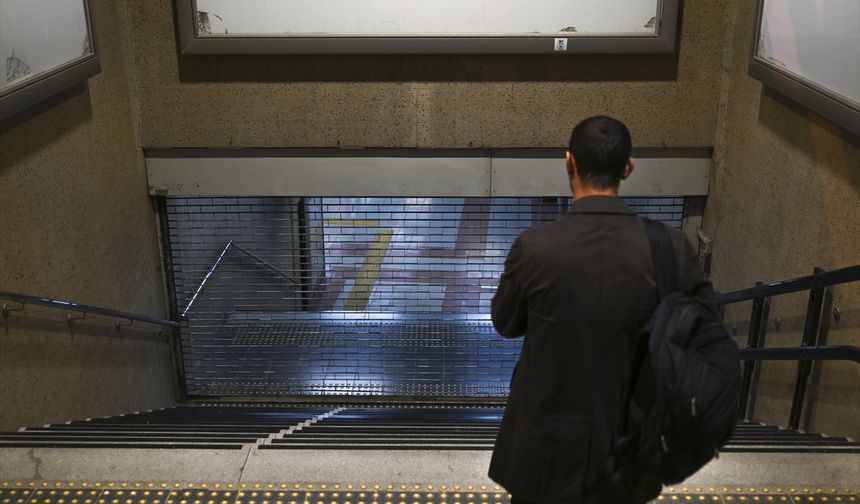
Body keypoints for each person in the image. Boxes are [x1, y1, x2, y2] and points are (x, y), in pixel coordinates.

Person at [488, 116, 715, 504]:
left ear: (569, 163)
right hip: (628, 451)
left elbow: (506, 323)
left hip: (544, 450)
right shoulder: (669, 248)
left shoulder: (534, 247)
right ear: (627, 167)